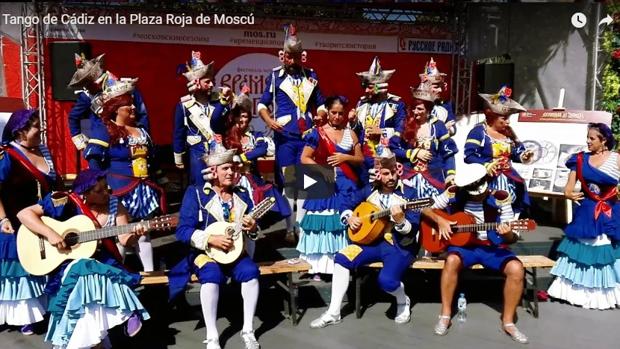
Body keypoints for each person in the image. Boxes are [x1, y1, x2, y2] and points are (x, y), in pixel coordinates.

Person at [17, 169, 150, 349]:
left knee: (88, 269)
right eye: (99, 190)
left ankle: (120, 319)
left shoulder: (115, 205)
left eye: (106, 188)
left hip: (102, 262)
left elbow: (125, 240)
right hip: (67, 265)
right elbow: (23, 214)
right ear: (85, 193)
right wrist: (51, 234)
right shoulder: (67, 202)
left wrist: (136, 234)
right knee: (82, 268)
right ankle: (125, 315)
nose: (106, 193)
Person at [310, 150, 419, 328]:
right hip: (370, 242)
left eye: (393, 172)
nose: (390, 177)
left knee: (387, 281)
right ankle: (334, 312)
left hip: (397, 245)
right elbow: (346, 205)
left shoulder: (410, 194)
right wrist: (350, 217)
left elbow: (411, 229)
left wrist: (400, 220)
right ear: (378, 174)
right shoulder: (369, 190)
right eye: (385, 173)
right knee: (342, 257)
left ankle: (402, 300)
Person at [425, 163, 528, 344]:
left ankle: (509, 321)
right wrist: (440, 220)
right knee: (451, 261)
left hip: (491, 247)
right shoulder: (454, 192)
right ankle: (445, 314)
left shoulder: (501, 198)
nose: (478, 194)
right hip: (464, 247)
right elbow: (425, 208)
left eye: (480, 190)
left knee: (516, 269)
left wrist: (508, 233)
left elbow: (512, 239)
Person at [171, 148, 261, 349]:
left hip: (234, 253)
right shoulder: (195, 194)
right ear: (213, 172)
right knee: (211, 274)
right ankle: (212, 335)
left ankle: (248, 329)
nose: (231, 172)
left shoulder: (243, 195)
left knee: (251, 272)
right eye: (225, 168)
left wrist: (253, 228)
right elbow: (183, 231)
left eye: (233, 168)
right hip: (205, 253)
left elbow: (253, 232)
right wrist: (211, 239)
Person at [85, 76, 164, 272]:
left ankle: (150, 275)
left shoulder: (141, 131)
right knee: (120, 235)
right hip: (119, 191)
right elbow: (94, 159)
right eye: (128, 105)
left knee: (144, 233)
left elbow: (151, 159)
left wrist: (159, 180)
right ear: (116, 109)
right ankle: (116, 275)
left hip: (143, 191)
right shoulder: (105, 131)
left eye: (133, 104)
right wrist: (101, 188)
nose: (134, 108)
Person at [257, 24, 326, 243]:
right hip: (285, 135)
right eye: (289, 57)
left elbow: (321, 103)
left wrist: (321, 116)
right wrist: (269, 120)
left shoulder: (312, 75)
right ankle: (289, 227)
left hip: (306, 134)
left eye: (296, 57)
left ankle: (302, 227)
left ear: (301, 56)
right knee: (289, 183)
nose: (293, 61)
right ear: (283, 56)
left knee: (305, 181)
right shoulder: (275, 76)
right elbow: (262, 105)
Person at [548, 123, 620, 309]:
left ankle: (603, 296)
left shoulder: (616, 158)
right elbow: (568, 190)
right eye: (587, 137)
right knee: (581, 252)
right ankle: (575, 294)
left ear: (604, 140)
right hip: (587, 212)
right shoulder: (579, 160)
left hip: (609, 212)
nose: (587, 141)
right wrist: (570, 194)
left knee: (604, 251)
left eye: (592, 138)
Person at [0, 109, 57, 335]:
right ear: (21, 133)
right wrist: (3, 218)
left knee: (48, 262)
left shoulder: (44, 150)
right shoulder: (7, 156)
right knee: (22, 269)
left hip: (46, 218)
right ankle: (24, 316)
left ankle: (45, 309)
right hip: (16, 222)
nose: (40, 128)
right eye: (35, 126)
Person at [297, 96, 363, 281]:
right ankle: (316, 267)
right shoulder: (317, 133)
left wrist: (344, 158)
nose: (337, 117)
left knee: (341, 222)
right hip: (324, 180)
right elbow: (305, 158)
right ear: (327, 112)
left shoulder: (351, 134)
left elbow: (360, 159)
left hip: (346, 183)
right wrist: (324, 172)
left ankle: (340, 264)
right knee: (321, 222)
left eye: (341, 113)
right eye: (333, 113)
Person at [210, 86, 291, 230]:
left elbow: (262, 149)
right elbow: (215, 120)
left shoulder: (256, 135)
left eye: (245, 116)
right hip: (231, 181)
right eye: (239, 115)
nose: (242, 119)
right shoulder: (226, 135)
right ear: (232, 117)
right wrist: (223, 100)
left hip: (252, 180)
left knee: (262, 207)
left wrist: (241, 157)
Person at [464, 86, 534, 216]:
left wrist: (523, 156)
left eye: (508, 118)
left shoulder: (509, 133)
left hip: (509, 179)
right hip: (487, 182)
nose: (507, 122)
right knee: (490, 213)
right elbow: (469, 156)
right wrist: (487, 165)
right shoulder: (479, 132)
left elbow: (516, 152)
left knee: (510, 211)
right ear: (491, 115)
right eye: (504, 118)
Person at [67, 53, 148, 153]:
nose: (88, 87)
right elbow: (73, 117)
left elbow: (142, 113)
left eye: (89, 84)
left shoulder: (126, 88)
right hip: (102, 142)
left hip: (129, 139)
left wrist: (144, 136)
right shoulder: (86, 96)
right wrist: (81, 143)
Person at [391, 81, 457, 199]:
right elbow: (393, 147)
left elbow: (449, 154)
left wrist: (450, 175)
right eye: (413, 108)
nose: (415, 112)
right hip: (408, 179)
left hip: (434, 178)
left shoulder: (438, 126)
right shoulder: (404, 124)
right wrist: (413, 153)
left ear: (428, 110)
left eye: (419, 109)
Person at [350, 56, 407, 183]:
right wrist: (353, 122)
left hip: (386, 157)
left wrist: (382, 132)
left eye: (370, 87)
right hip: (364, 157)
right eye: (365, 86)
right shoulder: (361, 104)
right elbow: (357, 131)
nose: (366, 90)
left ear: (380, 86)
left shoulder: (396, 105)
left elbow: (401, 130)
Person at [173, 51, 224, 187]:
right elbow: (179, 132)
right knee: (199, 185)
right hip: (197, 152)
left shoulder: (219, 102)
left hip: (218, 150)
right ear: (196, 82)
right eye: (207, 82)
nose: (211, 85)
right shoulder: (184, 105)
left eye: (212, 81)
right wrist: (179, 157)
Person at [419, 57, 457, 136]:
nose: (439, 90)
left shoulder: (446, 105)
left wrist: (449, 129)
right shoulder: (418, 105)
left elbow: (453, 129)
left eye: (440, 87)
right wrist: (443, 128)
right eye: (435, 87)